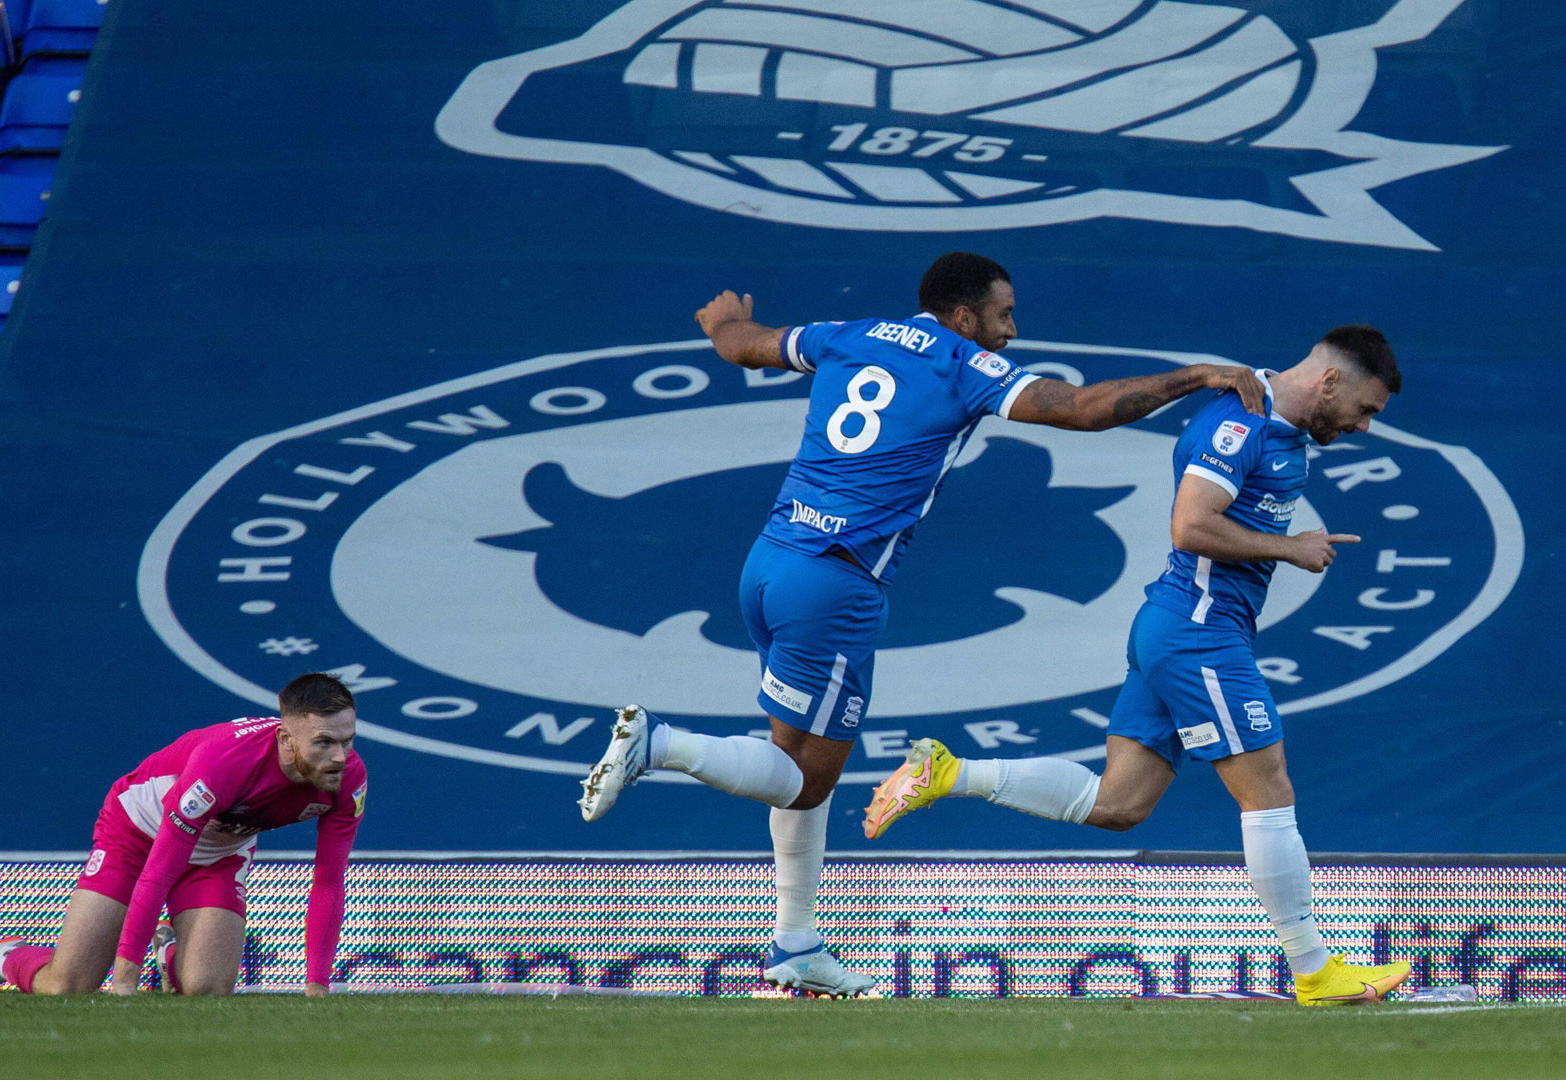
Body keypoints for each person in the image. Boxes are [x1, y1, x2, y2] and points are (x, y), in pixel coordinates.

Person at [577, 252, 1268, 997]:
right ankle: (661, 743)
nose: (1012, 330)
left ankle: (793, 946)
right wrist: (1193, 376)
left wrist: (726, 324)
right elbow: (1082, 409)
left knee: (801, 765)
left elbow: (747, 346)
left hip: (769, 563)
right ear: (965, 317)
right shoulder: (961, 362)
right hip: (836, 583)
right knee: (805, 781)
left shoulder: (852, 333)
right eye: (1004, 315)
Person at [859, 326, 1414, 1006]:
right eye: (1366, 409)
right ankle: (1315, 971)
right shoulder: (1239, 424)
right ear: (1330, 380)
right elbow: (1189, 526)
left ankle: (949, 771)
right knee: (1268, 792)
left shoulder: (1280, 425)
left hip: (1180, 628)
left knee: (1119, 805)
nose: (1362, 426)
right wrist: (1288, 548)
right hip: (1198, 633)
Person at [0, 673, 367, 995]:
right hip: (139, 839)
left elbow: (329, 881)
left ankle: (169, 951)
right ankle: (6, 954)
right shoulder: (224, 763)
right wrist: (125, 980)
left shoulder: (349, 778)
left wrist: (318, 986)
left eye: (347, 740)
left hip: (219, 852)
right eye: (324, 742)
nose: (340, 756)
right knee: (68, 985)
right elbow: (158, 871)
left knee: (207, 988)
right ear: (286, 739)